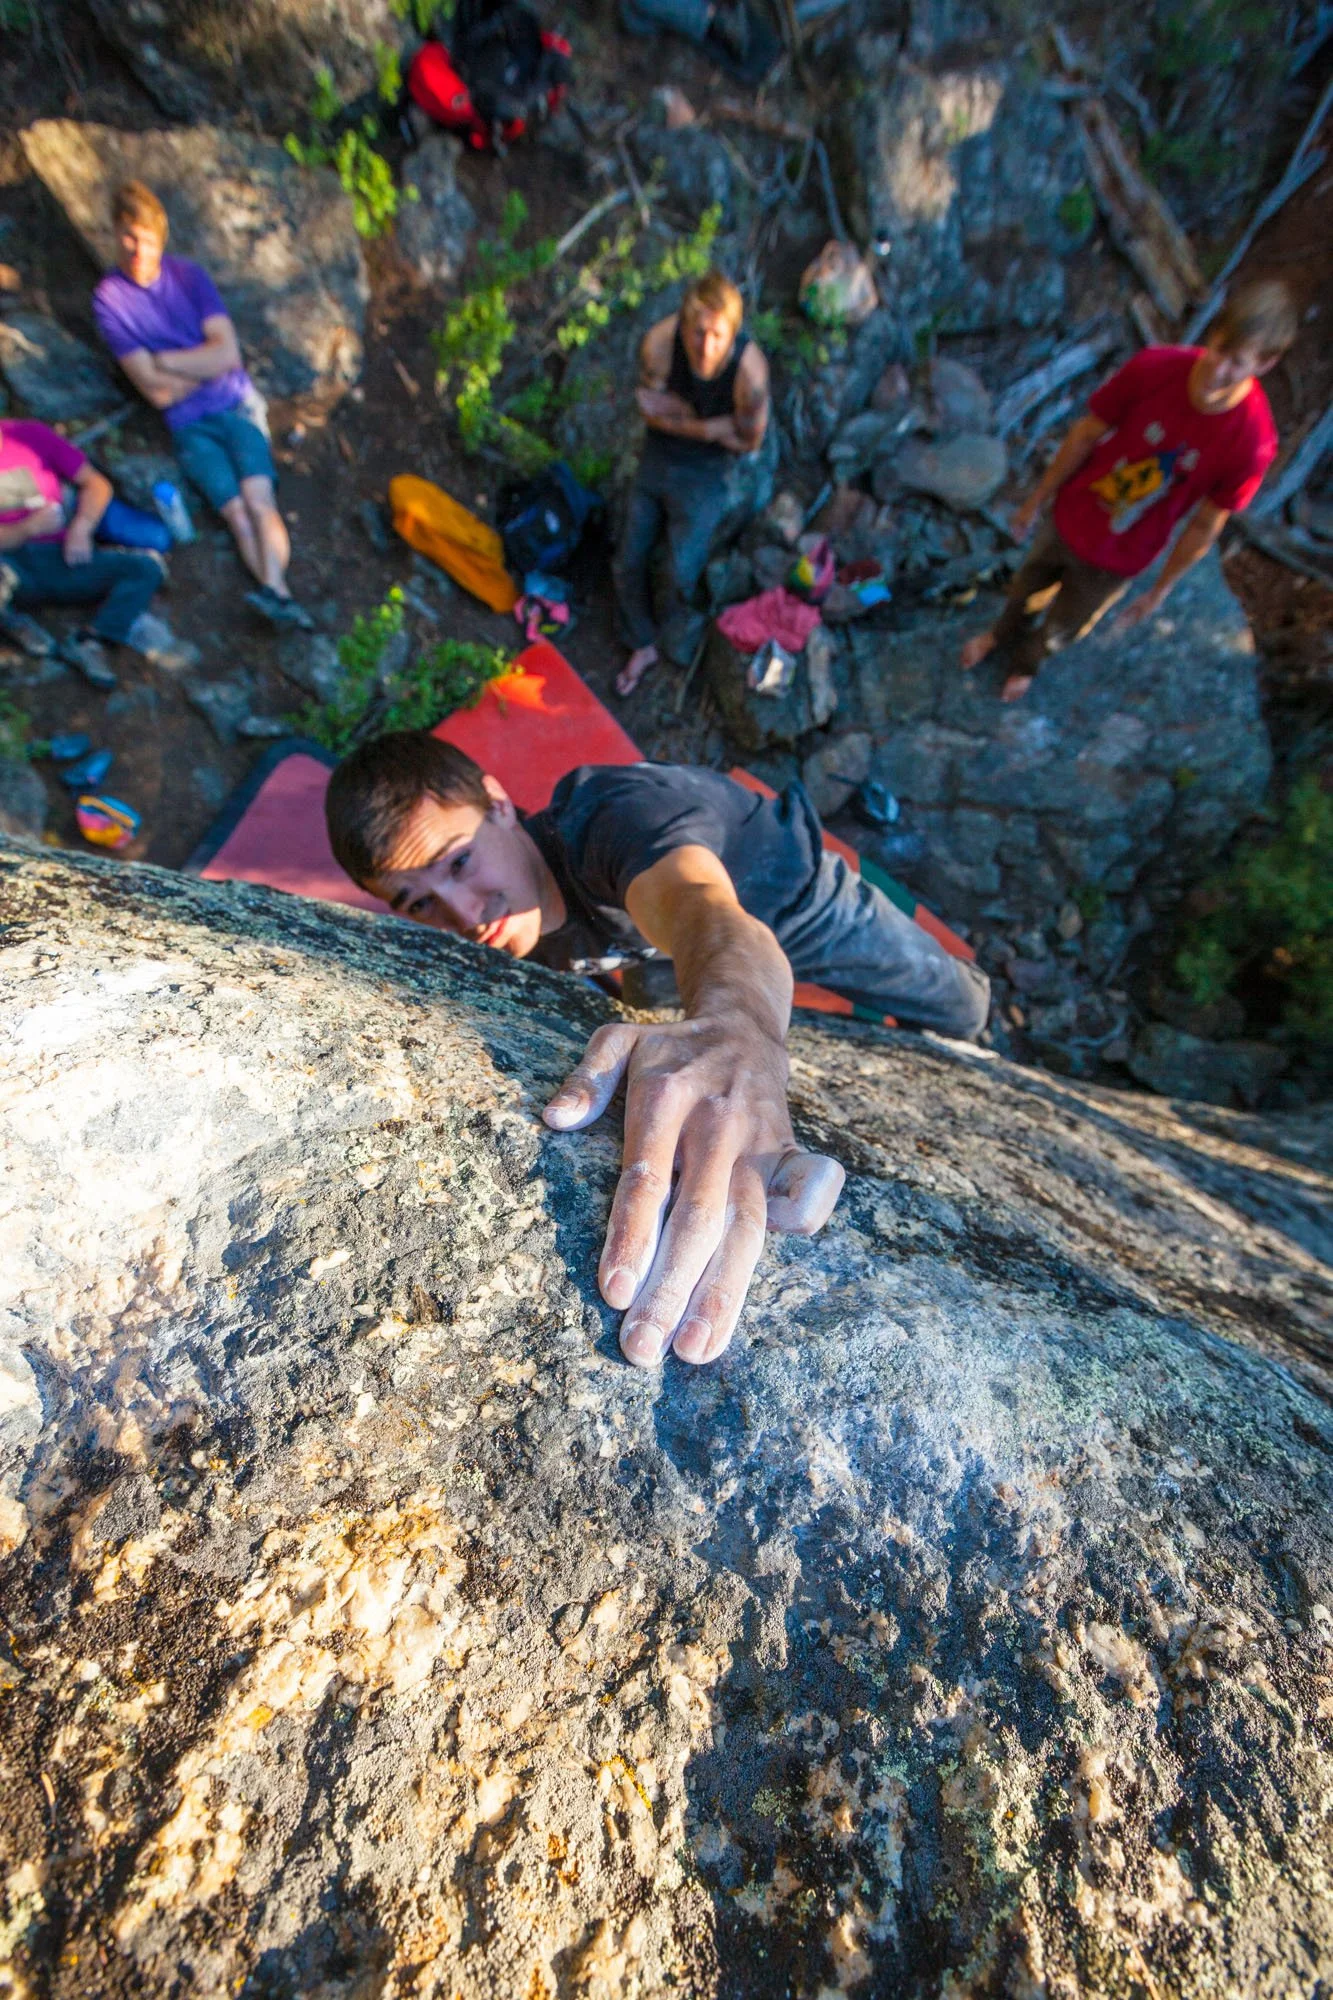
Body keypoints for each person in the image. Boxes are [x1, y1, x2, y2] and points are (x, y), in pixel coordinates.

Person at [324, 733, 991, 1369]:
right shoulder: (514, 929)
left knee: (955, 1003)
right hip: (657, 954)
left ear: (498, 802)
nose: (464, 915)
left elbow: (702, 907)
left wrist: (734, 1032)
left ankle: (978, 1017)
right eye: (419, 904)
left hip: (793, 903)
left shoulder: (619, 817)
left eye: (459, 862)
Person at [960, 279, 1295, 702]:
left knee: (1067, 623)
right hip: (1074, 513)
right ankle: (999, 635)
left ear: (1265, 364)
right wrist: (1036, 500)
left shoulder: (1252, 441)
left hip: (1124, 553)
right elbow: (1086, 433)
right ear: (1213, 332)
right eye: (1219, 349)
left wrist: (1161, 589)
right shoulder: (1156, 368)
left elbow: (1207, 524)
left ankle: (1027, 663)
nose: (1218, 369)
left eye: (1237, 363)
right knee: (1027, 584)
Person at [91, 181, 314, 632]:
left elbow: (227, 355)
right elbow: (154, 391)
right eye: (129, 237)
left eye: (146, 239)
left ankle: (277, 592)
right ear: (115, 233)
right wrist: (201, 364)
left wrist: (167, 361)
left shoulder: (188, 277)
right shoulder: (109, 300)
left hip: (235, 405)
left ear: (161, 238)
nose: (137, 250)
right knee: (235, 512)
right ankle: (280, 597)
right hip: (189, 425)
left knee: (258, 498)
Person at [614, 269, 771, 697]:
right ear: (683, 325)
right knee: (629, 556)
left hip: (708, 471)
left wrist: (692, 424)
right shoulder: (661, 344)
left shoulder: (748, 374)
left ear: (733, 333)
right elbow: (648, 407)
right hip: (660, 454)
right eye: (697, 333)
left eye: (717, 336)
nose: (706, 347)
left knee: (680, 569)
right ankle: (641, 642)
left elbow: (748, 439)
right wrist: (711, 427)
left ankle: (671, 633)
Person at [0, 416, 195, 686]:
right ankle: (13, 625)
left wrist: (82, 527)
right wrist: (28, 528)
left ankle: (91, 639)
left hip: (60, 557)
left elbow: (96, 483)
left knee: (145, 568)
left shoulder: (29, 435)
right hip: (10, 563)